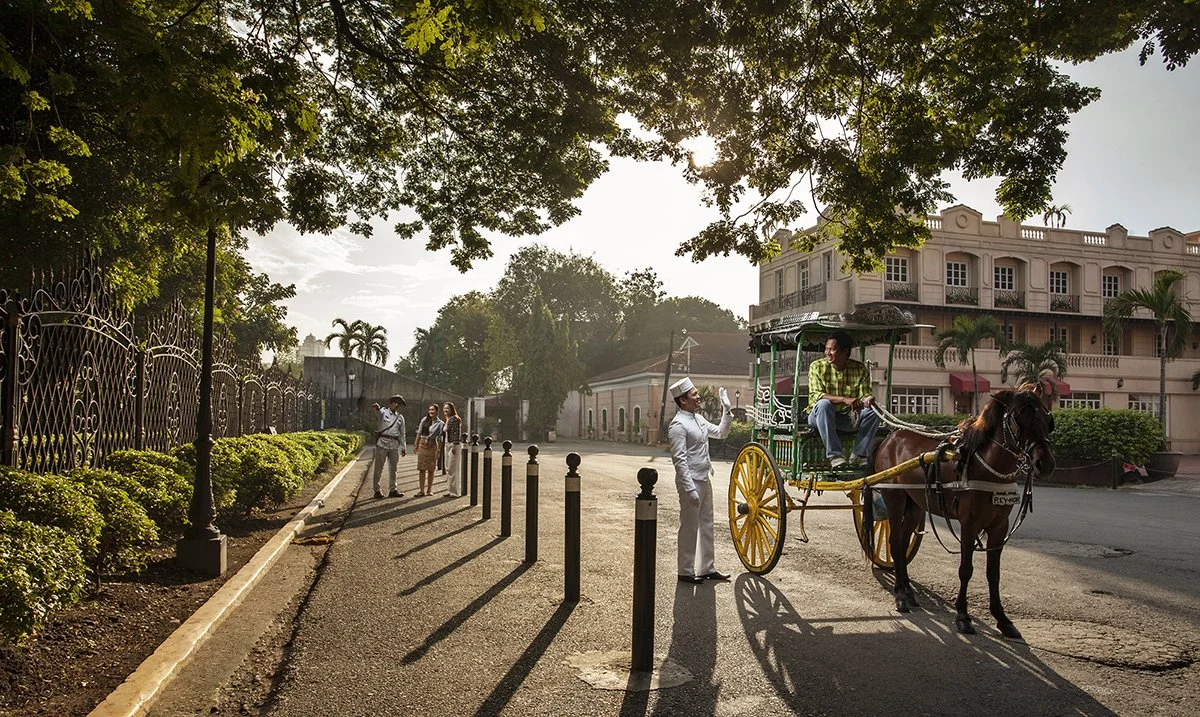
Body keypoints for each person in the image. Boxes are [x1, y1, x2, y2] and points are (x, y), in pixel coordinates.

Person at [667, 376, 733, 585]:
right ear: (682, 400)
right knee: (689, 526)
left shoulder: (699, 419)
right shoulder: (678, 425)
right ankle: (685, 570)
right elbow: (679, 460)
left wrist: (727, 410)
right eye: (694, 394)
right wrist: (689, 489)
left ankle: (707, 568)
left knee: (706, 524)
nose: (698, 397)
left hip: (704, 477)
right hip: (691, 481)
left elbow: (721, 433)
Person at [807, 330, 880, 468]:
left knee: (875, 410)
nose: (828, 353)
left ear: (845, 351)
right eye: (826, 349)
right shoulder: (817, 367)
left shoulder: (859, 369)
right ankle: (835, 456)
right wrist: (844, 399)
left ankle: (859, 454)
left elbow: (864, 394)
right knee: (824, 404)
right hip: (819, 416)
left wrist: (868, 399)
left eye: (832, 349)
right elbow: (816, 395)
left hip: (848, 418)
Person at [370, 395, 407, 498]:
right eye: (395, 402)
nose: (397, 405)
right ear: (390, 403)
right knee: (378, 468)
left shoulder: (400, 418)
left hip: (394, 444)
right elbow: (378, 413)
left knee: (393, 468)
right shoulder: (383, 412)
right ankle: (377, 490)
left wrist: (403, 447)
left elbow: (402, 433)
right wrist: (376, 408)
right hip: (382, 443)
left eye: (399, 403)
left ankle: (393, 490)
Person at [414, 403, 444, 496]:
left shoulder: (440, 423)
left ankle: (429, 490)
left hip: (432, 445)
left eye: (433, 410)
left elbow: (440, 438)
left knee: (431, 469)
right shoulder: (424, 420)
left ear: (437, 411)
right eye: (430, 410)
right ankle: (421, 490)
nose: (431, 411)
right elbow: (419, 432)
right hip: (422, 444)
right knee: (421, 468)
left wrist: (438, 450)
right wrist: (416, 444)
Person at [442, 402, 462, 497]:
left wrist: (454, 445)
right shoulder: (448, 419)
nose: (445, 410)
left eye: (448, 408)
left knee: (452, 469)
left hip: (453, 445)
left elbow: (457, 433)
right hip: (447, 444)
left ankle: (455, 492)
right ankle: (450, 490)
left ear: (452, 409)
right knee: (448, 468)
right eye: (444, 408)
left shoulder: (455, 419)